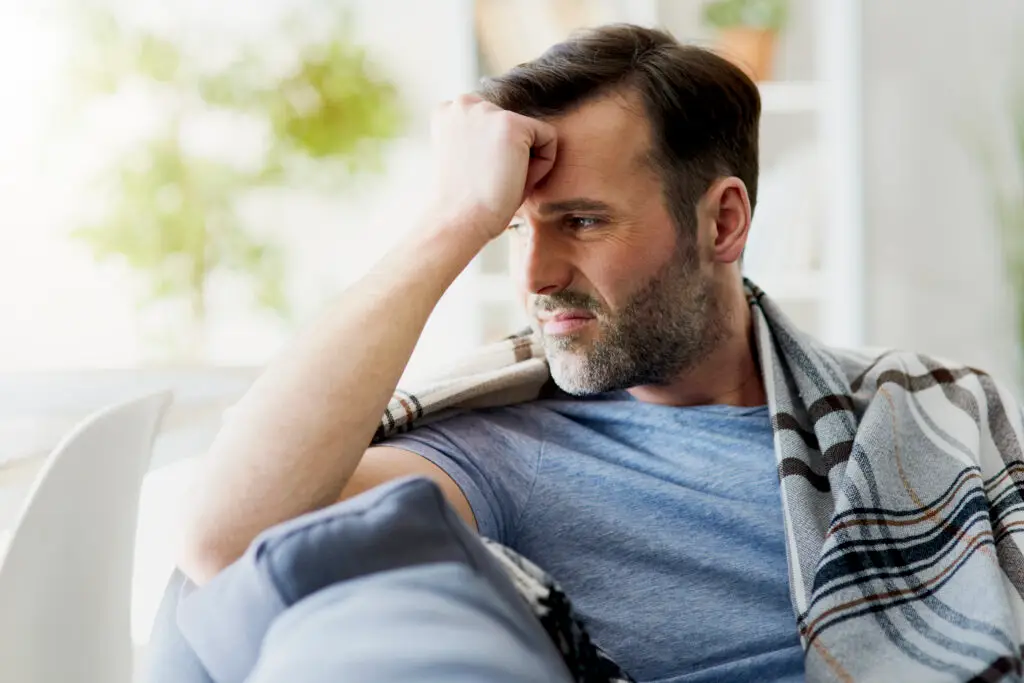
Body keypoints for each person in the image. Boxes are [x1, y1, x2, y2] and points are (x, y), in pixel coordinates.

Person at [170, 23, 1024, 683]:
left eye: (581, 221)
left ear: (721, 222)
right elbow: (225, 542)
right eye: (510, 228)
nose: (536, 274)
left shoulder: (915, 413)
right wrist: (450, 220)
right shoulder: (501, 453)